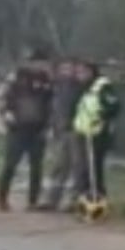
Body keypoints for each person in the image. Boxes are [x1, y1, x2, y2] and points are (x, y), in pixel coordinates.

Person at [0, 48, 54, 212]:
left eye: (42, 63)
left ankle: (33, 201)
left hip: (38, 129)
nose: (39, 65)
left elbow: (51, 104)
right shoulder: (16, 78)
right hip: (18, 128)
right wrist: (6, 114)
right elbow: (2, 97)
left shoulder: (46, 80)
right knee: (10, 164)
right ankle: (2, 199)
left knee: (36, 167)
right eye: (35, 62)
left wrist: (48, 126)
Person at [37, 58, 88, 212]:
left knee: (77, 166)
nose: (66, 72)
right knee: (58, 166)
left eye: (69, 69)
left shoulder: (80, 88)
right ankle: (51, 199)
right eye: (63, 69)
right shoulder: (56, 87)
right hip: (60, 131)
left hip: (76, 130)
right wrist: (51, 126)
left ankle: (73, 200)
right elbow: (54, 110)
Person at [72, 63, 121, 203]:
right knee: (84, 169)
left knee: (94, 169)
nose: (78, 76)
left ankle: (99, 197)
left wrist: (101, 116)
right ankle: (85, 197)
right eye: (77, 73)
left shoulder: (102, 86)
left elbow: (114, 106)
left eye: (81, 72)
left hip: (97, 133)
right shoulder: (82, 87)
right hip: (83, 131)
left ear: (90, 72)